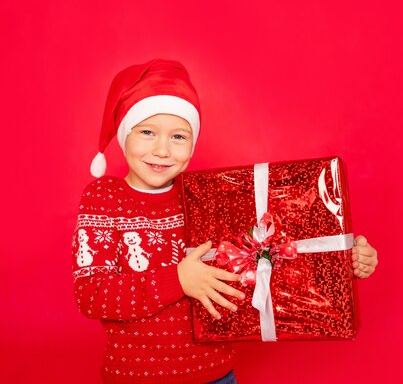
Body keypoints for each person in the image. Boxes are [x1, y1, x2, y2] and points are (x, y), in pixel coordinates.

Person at [72, 59, 379, 384]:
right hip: (136, 377)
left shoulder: (209, 196)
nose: (162, 149)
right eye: (147, 132)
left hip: (215, 375)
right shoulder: (105, 197)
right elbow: (92, 294)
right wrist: (178, 280)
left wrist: (338, 261)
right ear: (124, 135)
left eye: (179, 136)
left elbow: (267, 259)